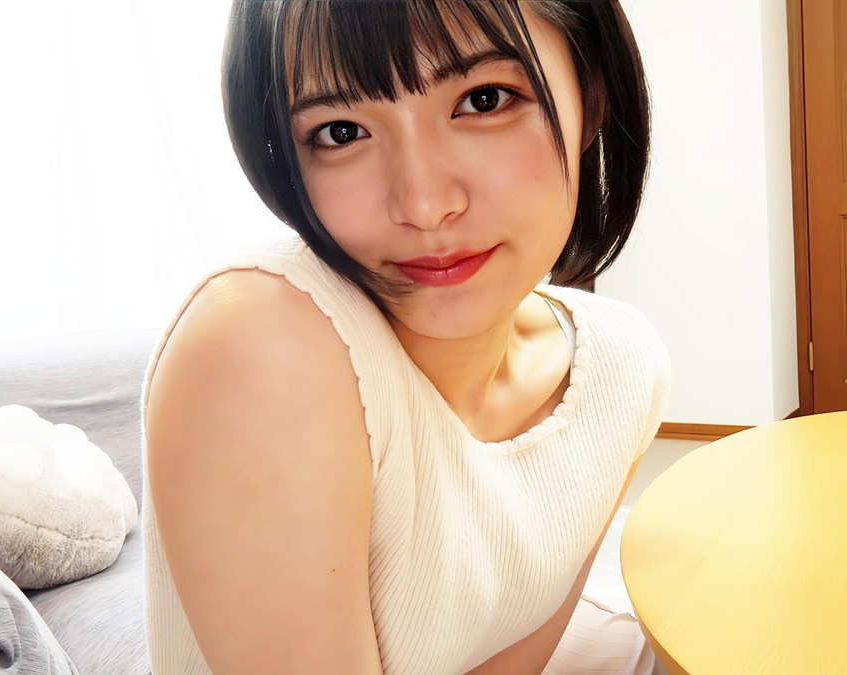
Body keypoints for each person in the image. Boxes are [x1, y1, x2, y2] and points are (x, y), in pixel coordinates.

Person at [140, 1, 671, 672]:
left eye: (484, 99)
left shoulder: (620, 367)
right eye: (341, 132)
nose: (424, 205)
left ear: (590, 96)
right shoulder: (259, 343)